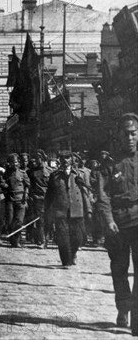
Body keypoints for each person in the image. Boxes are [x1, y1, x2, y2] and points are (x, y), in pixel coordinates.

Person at [96, 113, 138, 335]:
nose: (130, 138)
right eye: (126, 134)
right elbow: (102, 196)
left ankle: (137, 321)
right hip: (118, 225)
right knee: (119, 270)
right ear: (118, 135)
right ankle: (123, 308)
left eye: (133, 133)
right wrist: (109, 220)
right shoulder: (109, 164)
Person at [45, 150, 92, 268]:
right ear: (59, 160)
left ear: (72, 159)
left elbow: (85, 193)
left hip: (77, 210)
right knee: (62, 237)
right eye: (62, 158)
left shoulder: (79, 174)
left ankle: (73, 254)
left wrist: (89, 209)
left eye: (67, 158)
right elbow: (49, 195)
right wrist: (47, 210)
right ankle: (66, 261)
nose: (65, 160)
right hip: (61, 211)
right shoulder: (54, 175)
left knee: (78, 237)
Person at [3, 153, 30, 247]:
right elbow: (3, 185)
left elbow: (27, 185)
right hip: (10, 199)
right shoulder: (6, 174)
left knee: (19, 221)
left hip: (21, 199)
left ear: (18, 162)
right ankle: (12, 241)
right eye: (12, 162)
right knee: (10, 221)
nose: (14, 164)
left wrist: (25, 196)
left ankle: (17, 240)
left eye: (15, 162)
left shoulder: (23, 173)